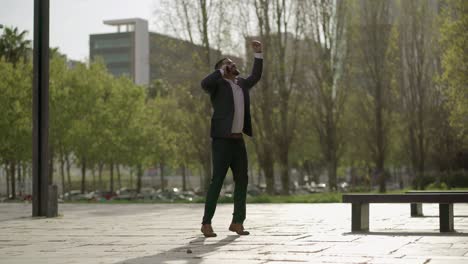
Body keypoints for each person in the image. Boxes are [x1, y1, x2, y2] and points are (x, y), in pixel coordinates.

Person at [200, 40, 263, 237]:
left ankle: (237, 222)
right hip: (221, 140)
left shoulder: (241, 84)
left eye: (232, 62)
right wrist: (220, 70)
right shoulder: (217, 85)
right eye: (228, 63)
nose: (233, 64)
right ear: (222, 69)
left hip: (238, 141)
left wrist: (258, 54)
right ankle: (206, 223)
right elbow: (204, 83)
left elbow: (256, 76)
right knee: (217, 180)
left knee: (242, 180)